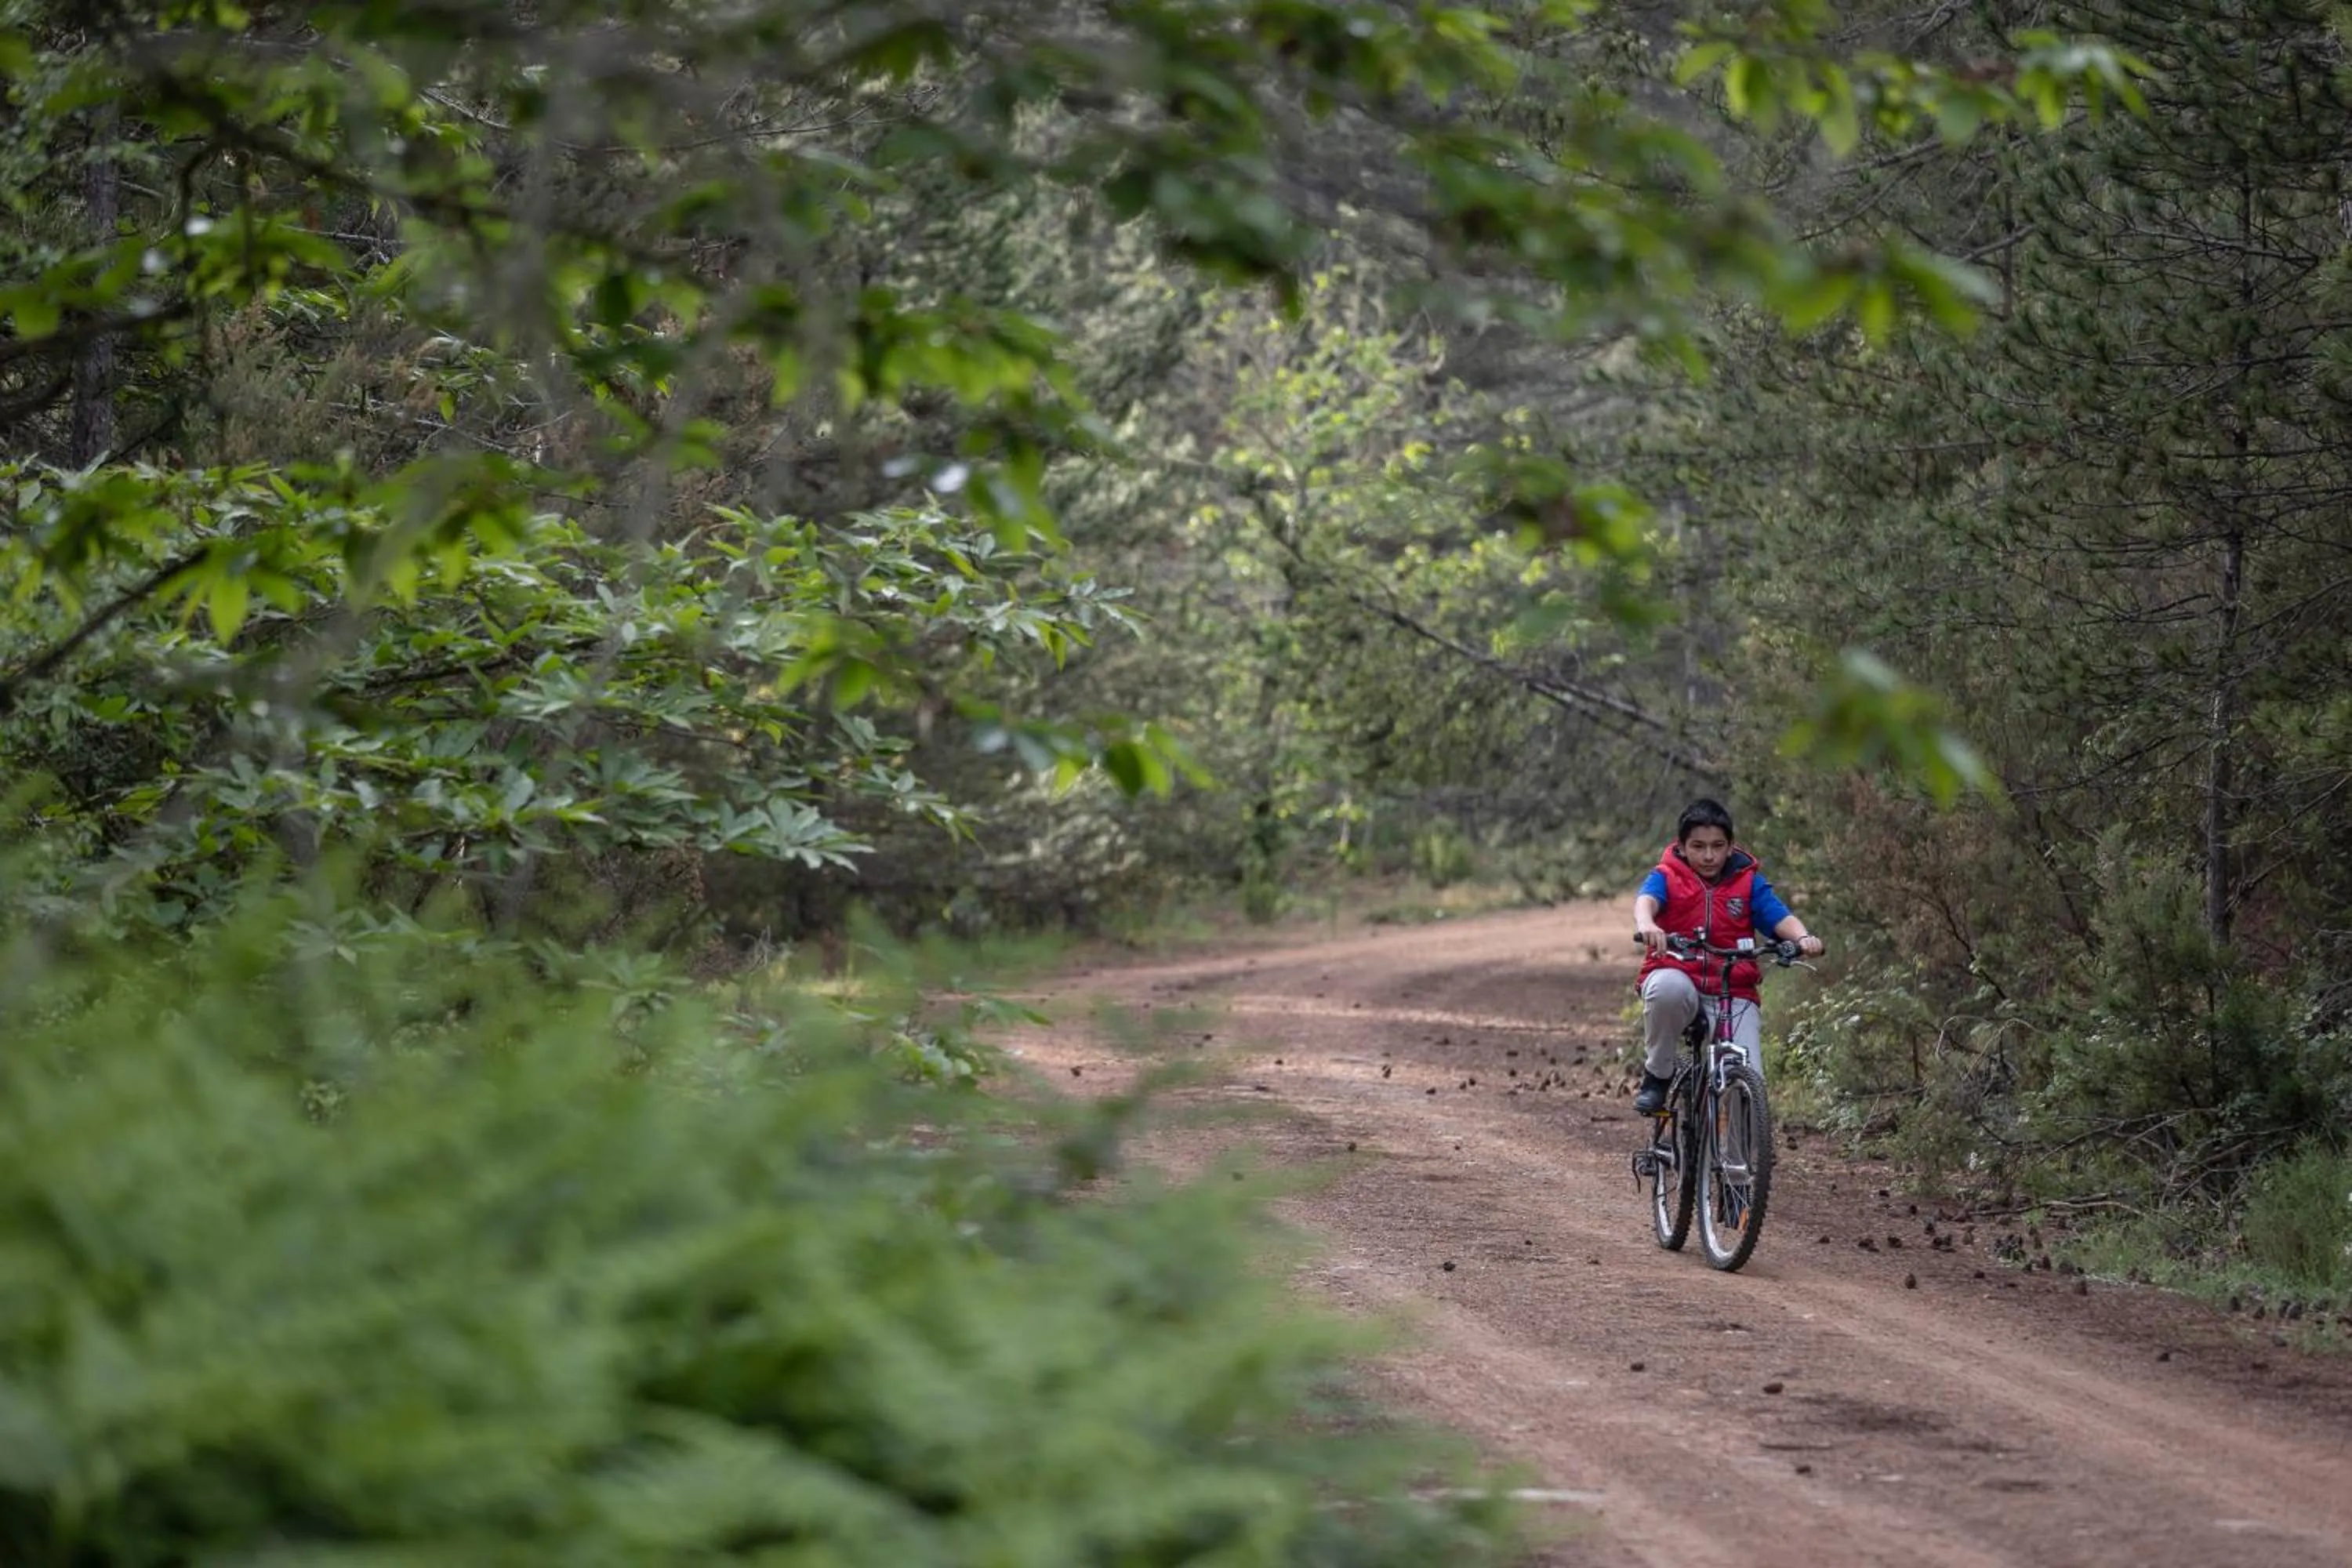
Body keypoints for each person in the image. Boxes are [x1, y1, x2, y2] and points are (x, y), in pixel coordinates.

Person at [1630, 798, 1823, 1116]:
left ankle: (1745, 1145)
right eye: (1698, 846)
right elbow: (1646, 901)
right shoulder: (1667, 875)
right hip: (1679, 975)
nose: (1709, 856)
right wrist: (1647, 924)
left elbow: (1778, 916)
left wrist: (1802, 938)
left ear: (1731, 847)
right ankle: (1658, 1075)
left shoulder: (1747, 882)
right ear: (1682, 847)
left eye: (1718, 846)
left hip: (1733, 989)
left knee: (1748, 1083)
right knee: (1666, 990)